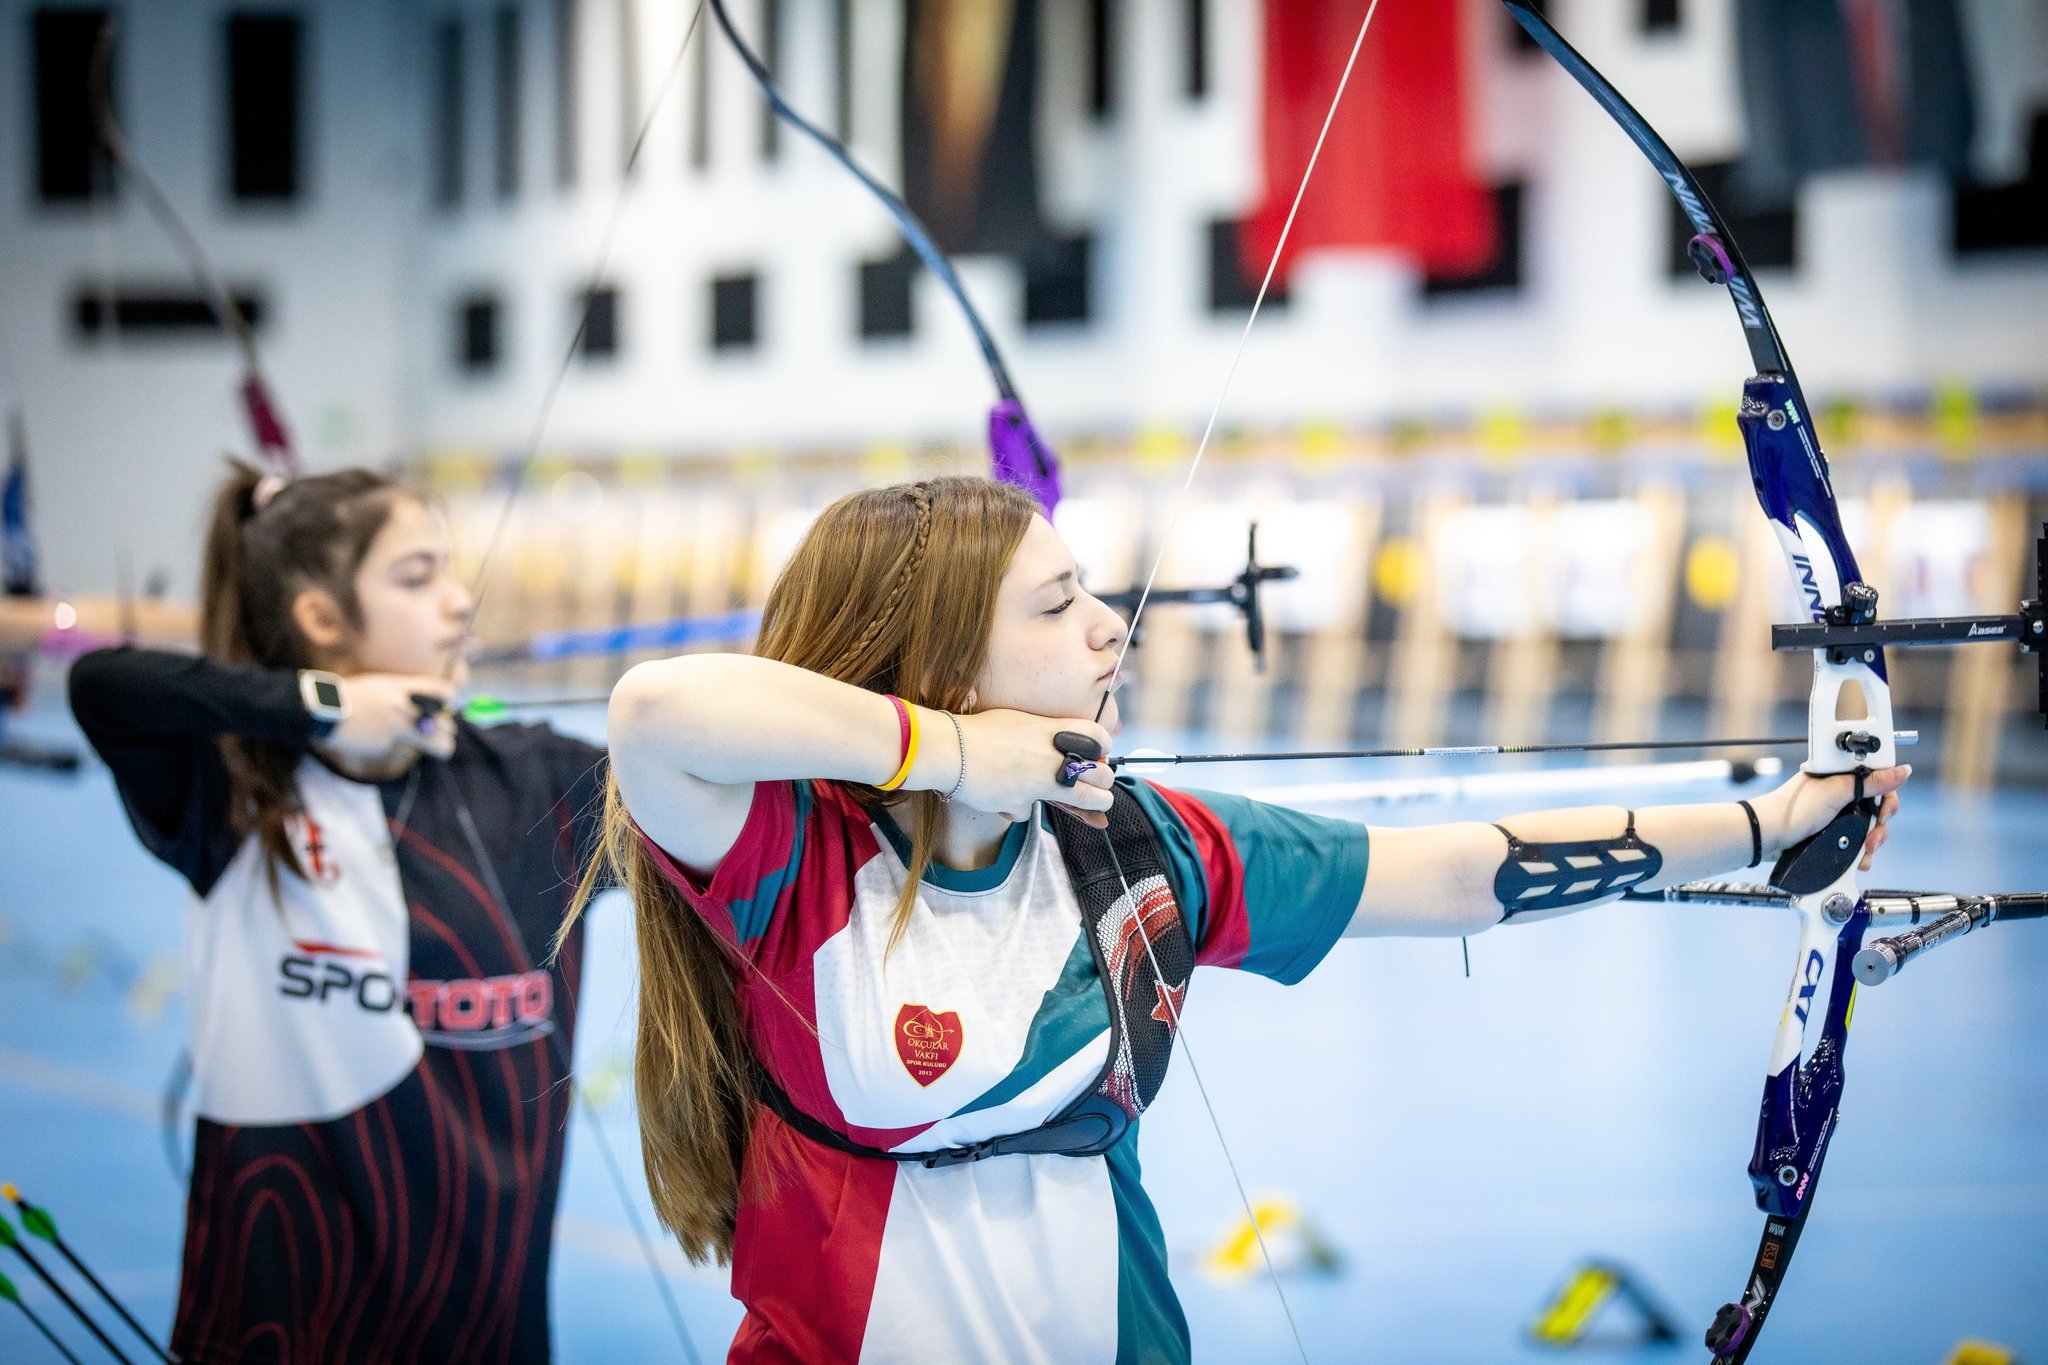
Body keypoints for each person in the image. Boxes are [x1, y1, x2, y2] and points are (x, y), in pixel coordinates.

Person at [575, 475, 1906, 1363]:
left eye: (1095, 594)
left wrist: (1769, 825)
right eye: (1058, 606)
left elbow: (1452, 872)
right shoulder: (794, 858)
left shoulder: (1154, 848)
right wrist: (967, 759)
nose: (1113, 629)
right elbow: (658, 712)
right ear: (935, 666)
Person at [69, 463, 605, 1364]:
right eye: (416, 575)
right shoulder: (236, 789)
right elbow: (104, 687)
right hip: (280, 1325)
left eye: (449, 569)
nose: (458, 601)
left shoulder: (537, 780)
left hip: (487, 1332)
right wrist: (321, 709)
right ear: (322, 618)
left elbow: (716, 795)